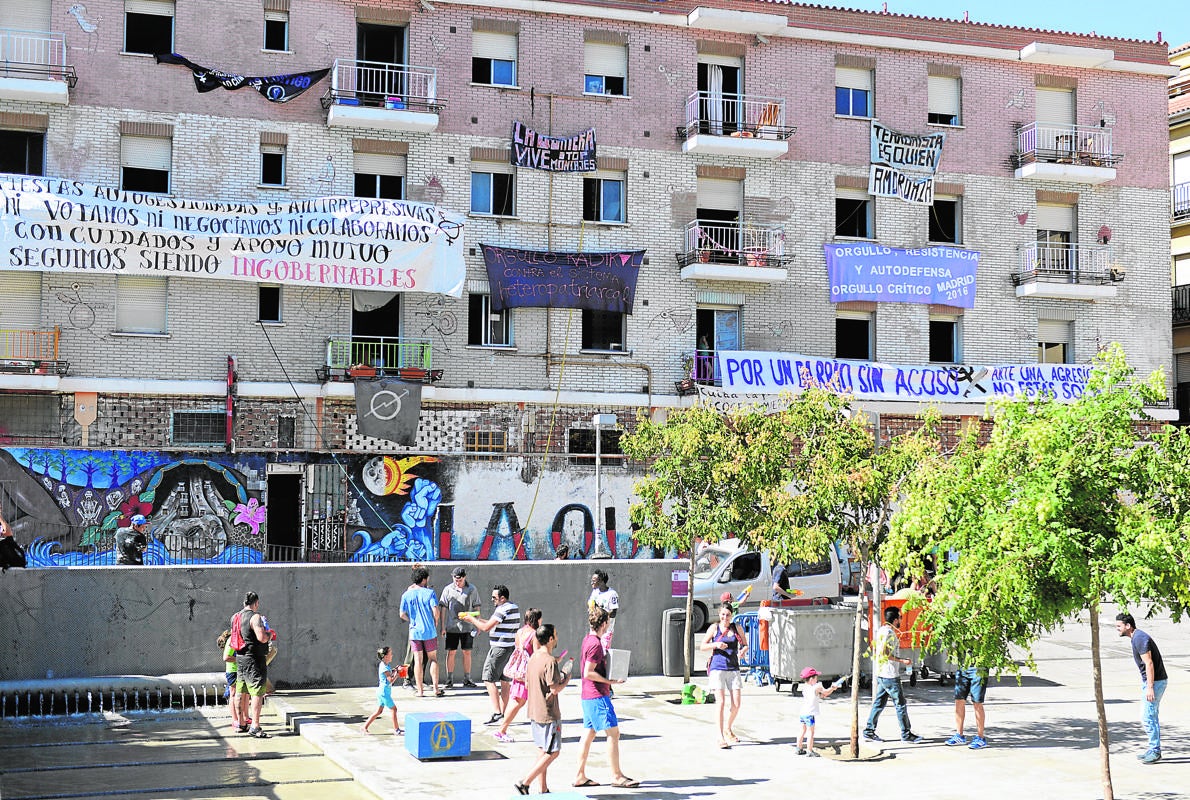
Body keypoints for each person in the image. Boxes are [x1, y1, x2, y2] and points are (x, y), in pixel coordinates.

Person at [573, 606, 639, 789]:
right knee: (613, 733)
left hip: (588, 695)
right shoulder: (595, 644)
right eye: (608, 622)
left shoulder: (588, 640)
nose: (609, 625)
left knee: (589, 733)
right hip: (597, 696)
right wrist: (609, 681)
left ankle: (580, 775)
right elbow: (588, 672)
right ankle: (617, 776)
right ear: (603, 623)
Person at [514, 623, 571, 796]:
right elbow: (554, 689)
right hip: (548, 713)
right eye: (555, 634)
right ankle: (525, 782)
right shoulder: (550, 661)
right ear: (551, 639)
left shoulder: (534, 658)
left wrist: (555, 667)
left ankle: (543, 788)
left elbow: (532, 680)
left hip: (534, 711)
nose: (557, 637)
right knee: (553, 752)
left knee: (542, 751)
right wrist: (566, 677)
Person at [461, 584, 520, 725]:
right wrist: (477, 619)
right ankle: (504, 713)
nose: (492, 600)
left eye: (494, 597)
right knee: (505, 682)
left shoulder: (501, 609)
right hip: (509, 649)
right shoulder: (513, 607)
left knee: (488, 679)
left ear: (502, 598)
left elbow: (486, 628)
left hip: (498, 650)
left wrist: (472, 620)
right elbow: (493, 624)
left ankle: (497, 712)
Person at [863, 606, 922, 743]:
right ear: (895, 620)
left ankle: (869, 730)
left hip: (883, 672)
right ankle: (906, 734)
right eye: (900, 617)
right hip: (889, 675)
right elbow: (884, 653)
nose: (901, 620)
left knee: (879, 703)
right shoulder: (888, 633)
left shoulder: (882, 631)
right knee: (900, 704)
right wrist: (902, 660)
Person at [1116, 612, 1168, 764]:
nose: (1117, 629)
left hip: (1155, 682)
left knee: (1147, 717)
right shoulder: (1137, 637)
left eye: (1119, 626)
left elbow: (1149, 663)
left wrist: (1150, 687)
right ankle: (1153, 748)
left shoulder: (1139, 638)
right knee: (1151, 716)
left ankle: (1155, 751)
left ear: (1128, 626)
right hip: (1154, 681)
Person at [700, 602, 748, 748]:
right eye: (722, 614)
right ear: (719, 614)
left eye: (727, 615)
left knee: (737, 704)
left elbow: (745, 644)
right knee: (720, 703)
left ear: (731, 615)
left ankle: (728, 727)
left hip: (733, 667)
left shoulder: (736, 628)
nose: (725, 617)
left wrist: (742, 651)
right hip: (718, 667)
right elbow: (702, 646)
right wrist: (716, 645)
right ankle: (720, 737)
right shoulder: (714, 628)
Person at [495, 607, 542, 742]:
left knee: (517, 701)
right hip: (527, 673)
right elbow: (536, 655)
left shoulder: (520, 632)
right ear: (536, 619)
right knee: (518, 702)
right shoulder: (534, 634)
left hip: (518, 671)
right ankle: (501, 730)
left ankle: (502, 729)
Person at [233, 591, 272, 738]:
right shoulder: (255, 617)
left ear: (244, 603)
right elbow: (261, 637)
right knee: (257, 692)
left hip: (240, 658)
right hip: (254, 659)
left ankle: (241, 723)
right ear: (256, 603)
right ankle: (255, 726)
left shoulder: (235, 617)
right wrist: (269, 633)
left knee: (240, 690)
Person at [399, 566, 443, 697]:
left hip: (415, 632)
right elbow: (436, 611)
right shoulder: (429, 593)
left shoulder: (406, 594)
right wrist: (435, 621)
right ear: (424, 579)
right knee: (433, 659)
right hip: (429, 631)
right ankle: (436, 689)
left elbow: (402, 614)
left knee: (417, 660)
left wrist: (412, 621)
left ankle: (420, 691)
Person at [439, 566, 480, 689]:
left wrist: (477, 624)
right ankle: (449, 679)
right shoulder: (448, 589)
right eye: (455, 579)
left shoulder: (472, 589)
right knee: (451, 652)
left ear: (464, 578)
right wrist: (443, 626)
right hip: (452, 626)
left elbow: (477, 607)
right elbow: (443, 607)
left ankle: (467, 678)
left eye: (459, 580)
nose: (457, 582)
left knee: (467, 652)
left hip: (467, 626)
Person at [796, 667, 841, 756]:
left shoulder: (805, 687)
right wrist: (832, 688)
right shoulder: (817, 687)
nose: (817, 679)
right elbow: (826, 693)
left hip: (803, 713)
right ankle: (809, 750)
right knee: (810, 732)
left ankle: (799, 748)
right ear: (812, 679)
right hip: (810, 714)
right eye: (816, 678)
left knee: (802, 730)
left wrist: (824, 693)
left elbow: (819, 696)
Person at [362, 646, 403, 735]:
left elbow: (389, 673)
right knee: (394, 709)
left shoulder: (385, 665)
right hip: (384, 693)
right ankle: (397, 730)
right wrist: (398, 674)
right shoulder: (384, 667)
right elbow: (390, 680)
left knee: (379, 711)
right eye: (390, 654)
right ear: (385, 656)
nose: (392, 655)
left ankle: (364, 727)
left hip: (382, 692)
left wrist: (395, 670)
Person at [946, 667, 989, 750]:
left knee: (977, 702)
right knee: (959, 700)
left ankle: (981, 737)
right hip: (963, 667)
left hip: (979, 668)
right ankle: (959, 735)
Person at [216, 629, 241, 732]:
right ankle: (235, 719)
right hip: (233, 671)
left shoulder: (236, 639)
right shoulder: (232, 640)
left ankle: (241, 718)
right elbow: (226, 657)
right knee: (233, 695)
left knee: (238, 695)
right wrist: (241, 659)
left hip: (237, 670)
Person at [588, 570, 619, 649]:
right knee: (593, 650)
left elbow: (613, 613)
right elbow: (591, 604)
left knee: (603, 653)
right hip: (594, 629)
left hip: (606, 630)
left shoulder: (612, 594)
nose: (592, 582)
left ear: (601, 581)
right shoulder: (595, 592)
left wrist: (601, 615)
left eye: (594, 581)